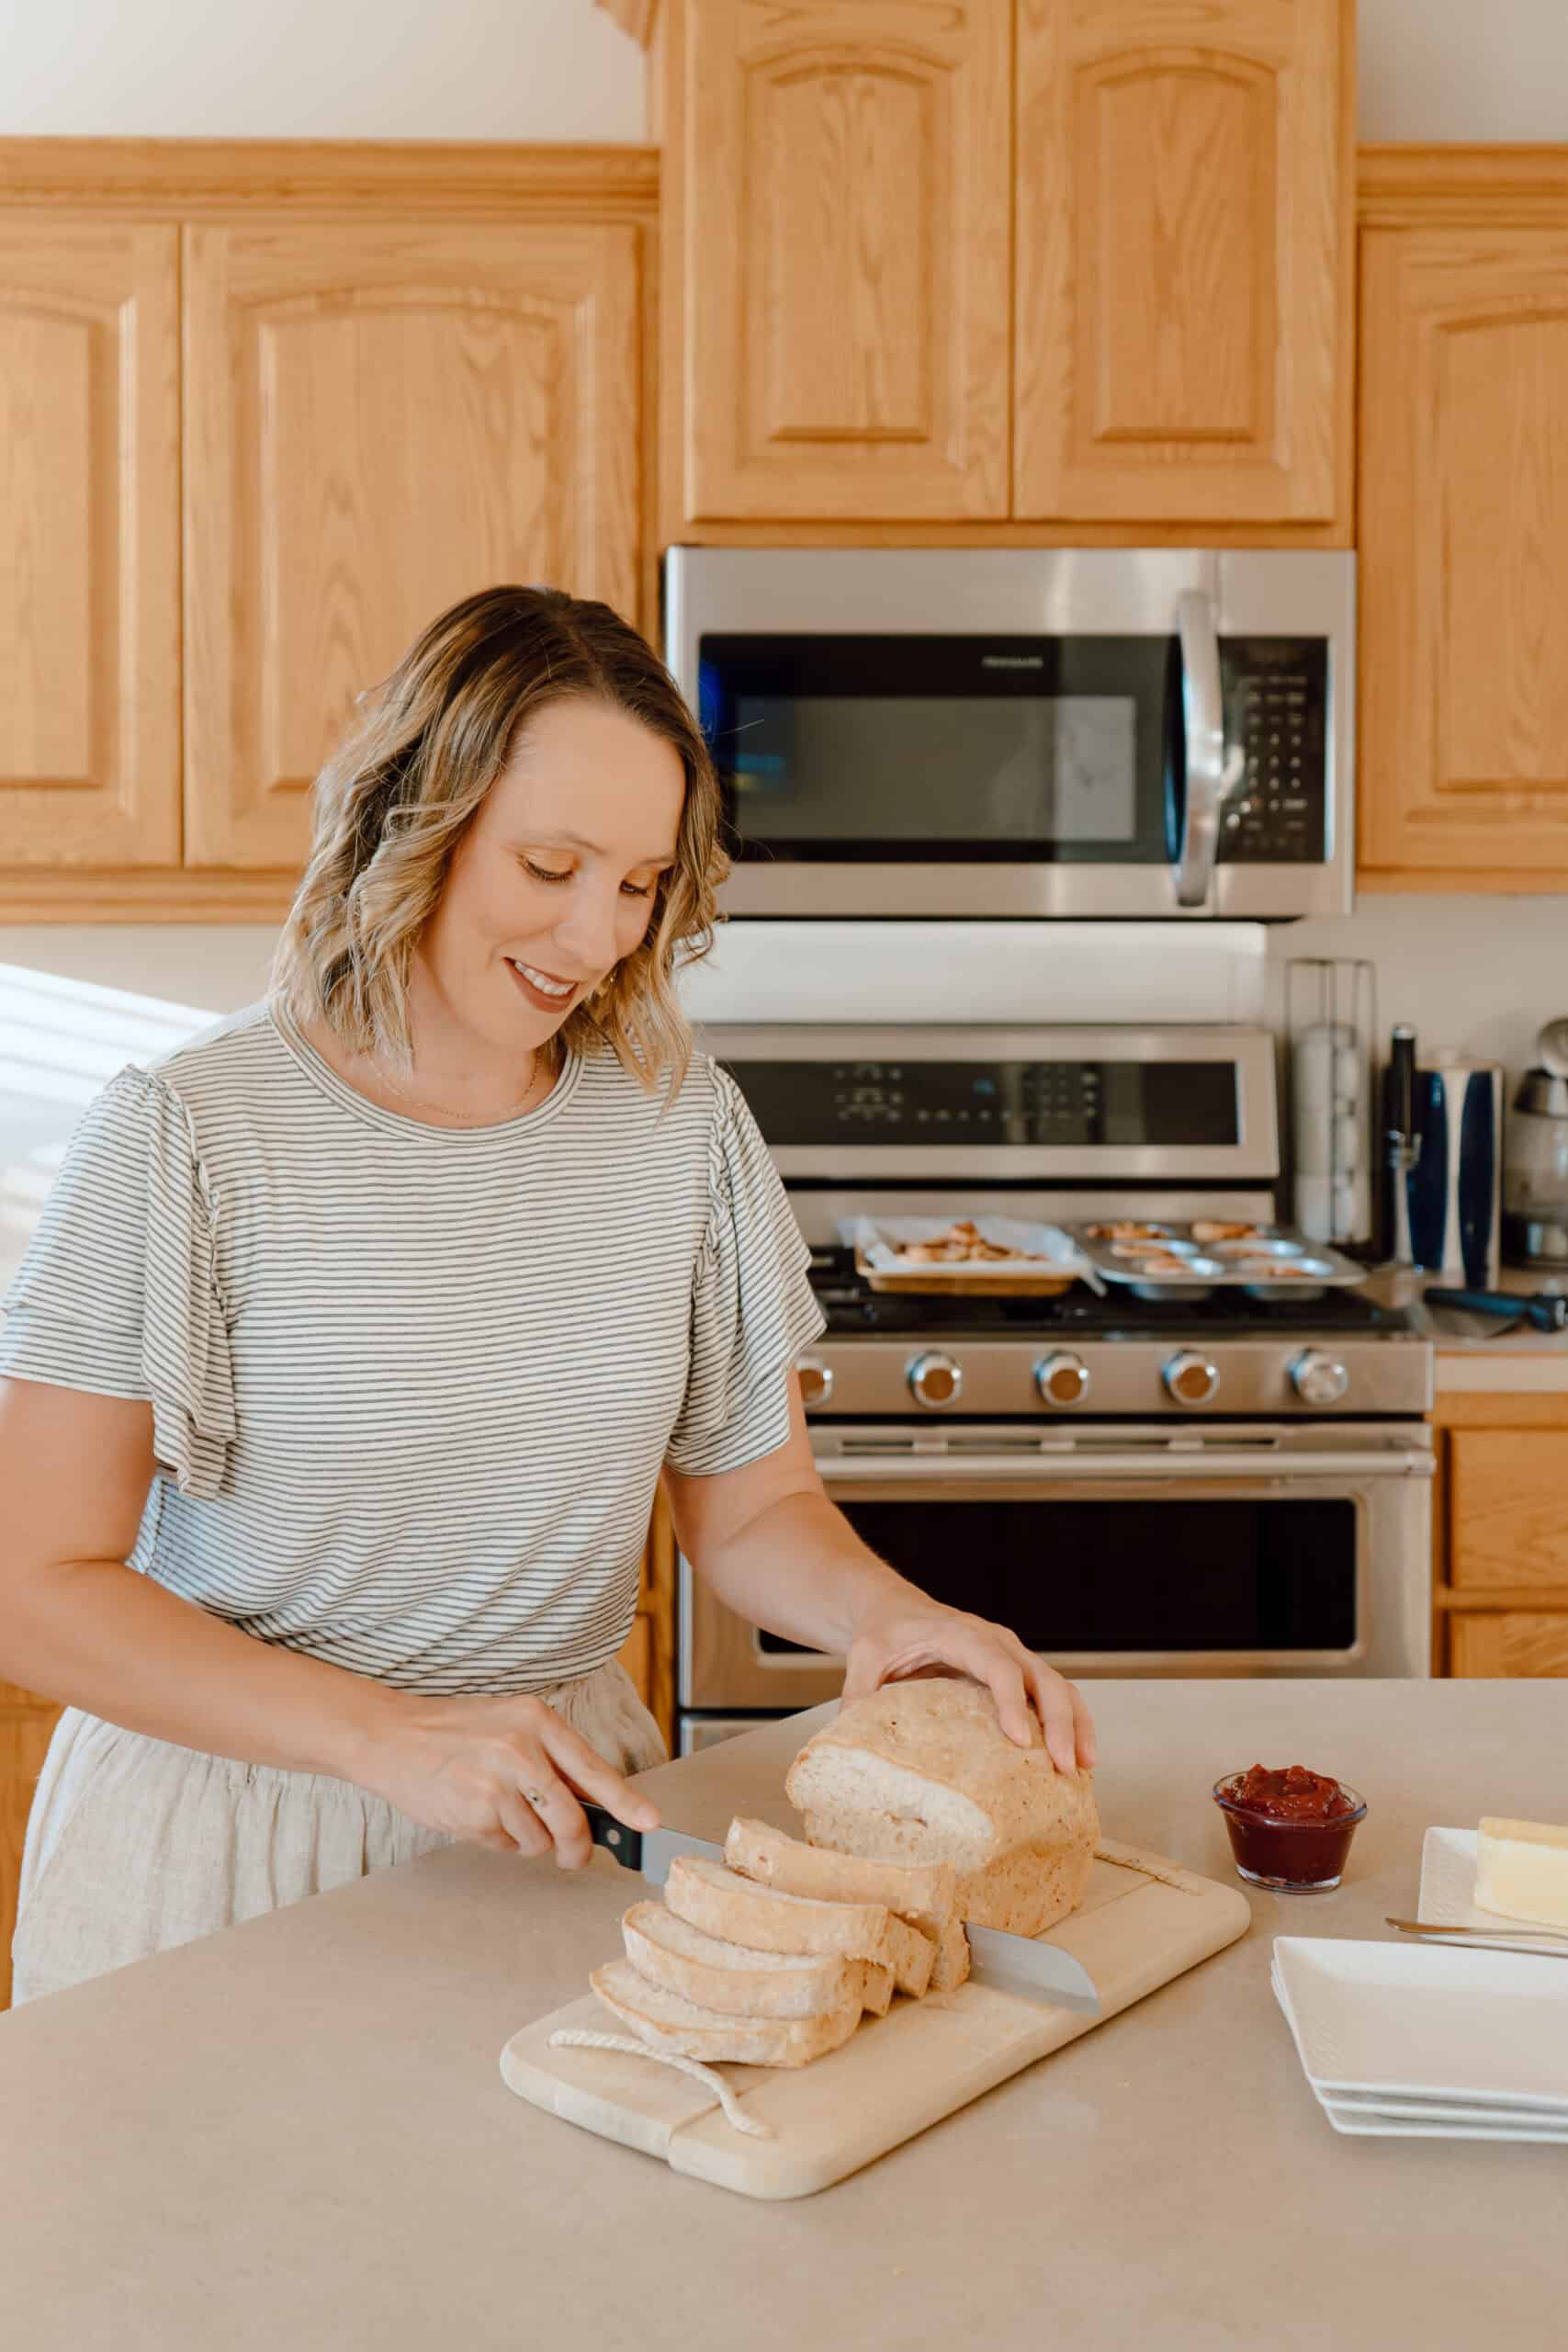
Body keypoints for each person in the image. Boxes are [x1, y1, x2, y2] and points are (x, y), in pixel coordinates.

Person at [0, 584, 1096, 2006]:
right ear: (418, 821)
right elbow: (36, 1590)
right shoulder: (190, 1129)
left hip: (557, 1829)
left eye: (639, 884)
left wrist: (887, 1621)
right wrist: (388, 1739)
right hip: (228, 1839)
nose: (595, 938)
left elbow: (751, 1504)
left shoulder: (679, 1129)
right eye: (551, 863)